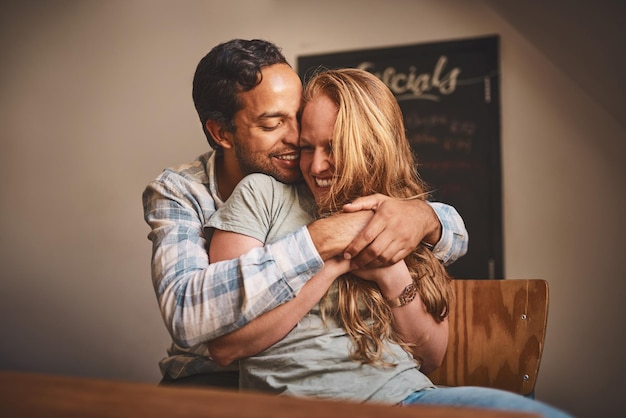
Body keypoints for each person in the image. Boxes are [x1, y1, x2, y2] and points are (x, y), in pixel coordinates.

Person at [204, 68, 571, 418]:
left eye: (333, 147)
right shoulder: (261, 196)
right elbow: (226, 342)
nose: (316, 166)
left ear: (371, 146)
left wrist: (391, 272)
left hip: (406, 399)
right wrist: (335, 259)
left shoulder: (399, 218)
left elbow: (431, 356)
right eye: (306, 147)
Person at [142, 39, 468, 388]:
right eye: (272, 125)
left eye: (298, 117)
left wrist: (425, 217)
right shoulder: (180, 190)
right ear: (222, 133)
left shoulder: (309, 173)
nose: (298, 138)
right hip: (209, 378)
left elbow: (446, 240)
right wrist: (323, 240)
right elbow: (187, 313)